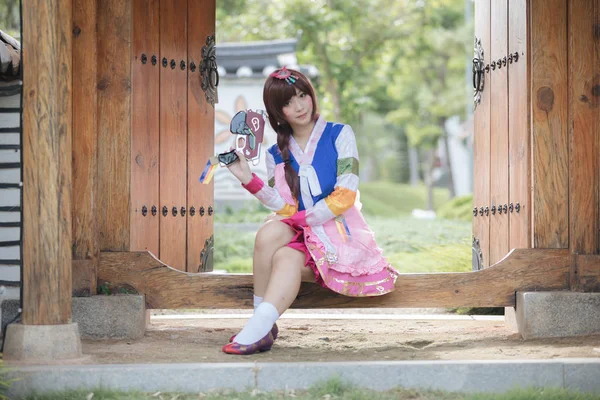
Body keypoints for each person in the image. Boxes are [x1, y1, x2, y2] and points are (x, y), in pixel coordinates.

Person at [222, 67, 399, 355]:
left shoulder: (340, 134)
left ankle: (259, 329)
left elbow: (346, 193)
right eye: (288, 103)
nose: (300, 106)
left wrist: (306, 217)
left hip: (338, 228)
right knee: (268, 234)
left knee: (285, 257)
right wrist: (246, 178)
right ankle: (261, 325)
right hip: (300, 228)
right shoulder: (275, 154)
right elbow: (285, 207)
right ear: (278, 112)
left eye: (302, 95)